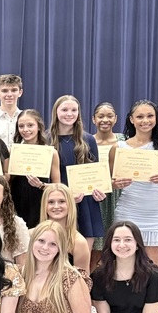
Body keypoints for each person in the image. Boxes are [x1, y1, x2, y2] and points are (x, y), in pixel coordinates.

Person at [110, 100, 158, 268]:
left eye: (150, 116)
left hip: (156, 213)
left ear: (157, 119)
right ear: (132, 119)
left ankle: (153, 296)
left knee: (153, 268)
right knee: (124, 264)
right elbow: (109, 182)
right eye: (140, 116)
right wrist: (116, 184)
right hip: (128, 209)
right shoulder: (118, 148)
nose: (145, 121)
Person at [50, 95, 106, 240]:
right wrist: (65, 197)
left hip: (85, 202)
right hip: (58, 203)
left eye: (74, 110)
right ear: (56, 111)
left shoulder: (88, 139)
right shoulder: (46, 140)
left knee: (83, 258)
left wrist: (99, 191)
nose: (69, 114)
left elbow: (96, 174)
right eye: (65, 110)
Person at [8, 109, 59, 228]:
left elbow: (57, 186)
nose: (25, 130)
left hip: (41, 203)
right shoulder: (12, 151)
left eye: (30, 125)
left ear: (39, 127)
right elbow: (8, 182)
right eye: (21, 126)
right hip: (17, 203)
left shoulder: (51, 153)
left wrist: (41, 185)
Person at [90, 101, 124, 268]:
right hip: (95, 198)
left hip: (119, 197)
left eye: (109, 116)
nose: (105, 120)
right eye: (100, 116)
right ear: (93, 119)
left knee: (118, 241)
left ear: (116, 119)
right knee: (95, 246)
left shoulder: (123, 141)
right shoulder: (87, 141)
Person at [39, 183, 91, 272]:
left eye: (62, 201)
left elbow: (84, 281)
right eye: (51, 202)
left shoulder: (79, 242)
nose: (56, 206)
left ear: (70, 204)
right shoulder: (32, 235)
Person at [0, 74, 23, 149]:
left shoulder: (28, 118)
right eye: (4, 91)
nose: (9, 94)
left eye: (14, 90)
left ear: (20, 92)